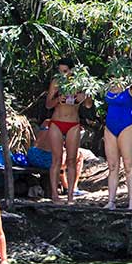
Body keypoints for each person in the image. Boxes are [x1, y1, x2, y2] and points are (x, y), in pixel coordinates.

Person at [44, 58, 92, 205]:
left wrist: (85, 97)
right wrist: (58, 99)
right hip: (57, 122)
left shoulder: (80, 83)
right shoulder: (56, 82)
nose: (62, 74)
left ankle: (71, 195)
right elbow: (47, 104)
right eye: (60, 71)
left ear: (72, 71)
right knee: (56, 159)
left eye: (65, 71)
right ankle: (55, 195)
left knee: (71, 160)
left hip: (73, 123)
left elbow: (89, 105)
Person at [103, 75, 132, 210]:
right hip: (110, 127)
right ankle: (111, 201)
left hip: (128, 125)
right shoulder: (109, 85)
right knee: (113, 165)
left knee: (128, 164)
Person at [28, 120, 84, 198]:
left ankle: (66, 186)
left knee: (59, 157)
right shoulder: (63, 125)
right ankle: (73, 188)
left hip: (33, 156)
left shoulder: (46, 122)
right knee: (78, 156)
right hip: (48, 159)